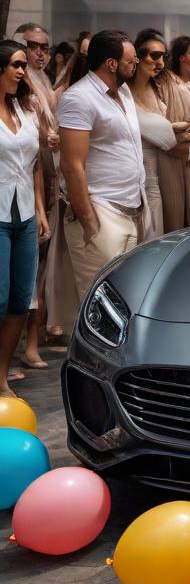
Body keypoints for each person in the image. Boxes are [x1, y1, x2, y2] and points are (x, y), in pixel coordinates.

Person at [56, 31, 146, 305]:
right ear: (111, 64)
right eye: (131, 60)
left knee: (126, 302)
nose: (137, 63)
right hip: (101, 211)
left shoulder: (125, 91)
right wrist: (90, 224)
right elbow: (71, 166)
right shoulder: (78, 98)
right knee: (98, 305)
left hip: (133, 209)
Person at [0, 42, 49, 397]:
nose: (22, 71)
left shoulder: (26, 110)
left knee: (20, 300)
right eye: (16, 64)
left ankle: (1, 376)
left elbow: (34, 167)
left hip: (26, 216)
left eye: (23, 66)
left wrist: (42, 211)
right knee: (0, 299)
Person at [13, 23, 61, 365]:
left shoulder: (44, 81)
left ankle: (32, 342)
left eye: (45, 46)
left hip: (45, 178)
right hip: (20, 182)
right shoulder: (17, 84)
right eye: (32, 46)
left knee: (37, 269)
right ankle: (20, 349)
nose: (40, 52)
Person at [129, 31, 179, 241]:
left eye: (163, 56)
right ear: (138, 57)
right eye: (154, 55)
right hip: (130, 177)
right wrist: (182, 130)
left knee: (155, 237)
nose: (159, 62)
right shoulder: (122, 91)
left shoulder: (161, 88)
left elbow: (168, 137)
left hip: (159, 176)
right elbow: (167, 135)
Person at [157, 36, 190, 231]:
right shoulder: (167, 81)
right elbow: (164, 124)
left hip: (188, 158)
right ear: (180, 56)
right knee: (173, 211)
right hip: (170, 153)